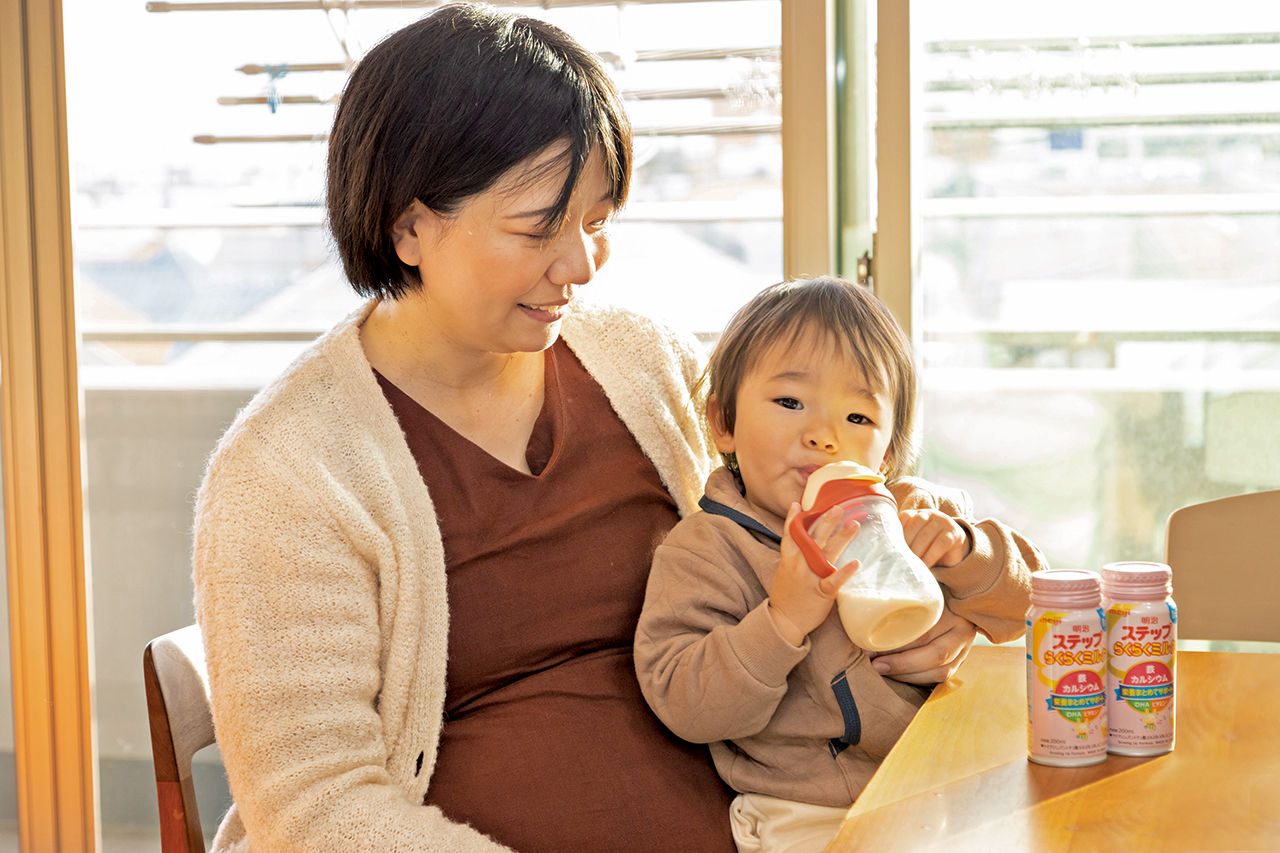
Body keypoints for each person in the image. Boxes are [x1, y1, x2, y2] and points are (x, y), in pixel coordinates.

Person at [192, 6, 984, 851]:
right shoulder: (287, 471)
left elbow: (817, 493)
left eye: (597, 221)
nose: (581, 265)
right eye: (539, 226)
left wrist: (937, 587)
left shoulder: (639, 362)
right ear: (409, 224)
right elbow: (317, 809)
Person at [634, 277, 1045, 853]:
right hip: (809, 809)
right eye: (790, 402)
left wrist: (964, 550)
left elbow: (1036, 603)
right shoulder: (708, 548)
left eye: (858, 418)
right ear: (723, 423)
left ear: (889, 449)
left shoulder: (916, 514)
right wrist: (781, 621)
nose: (824, 436)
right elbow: (685, 702)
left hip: (943, 776)